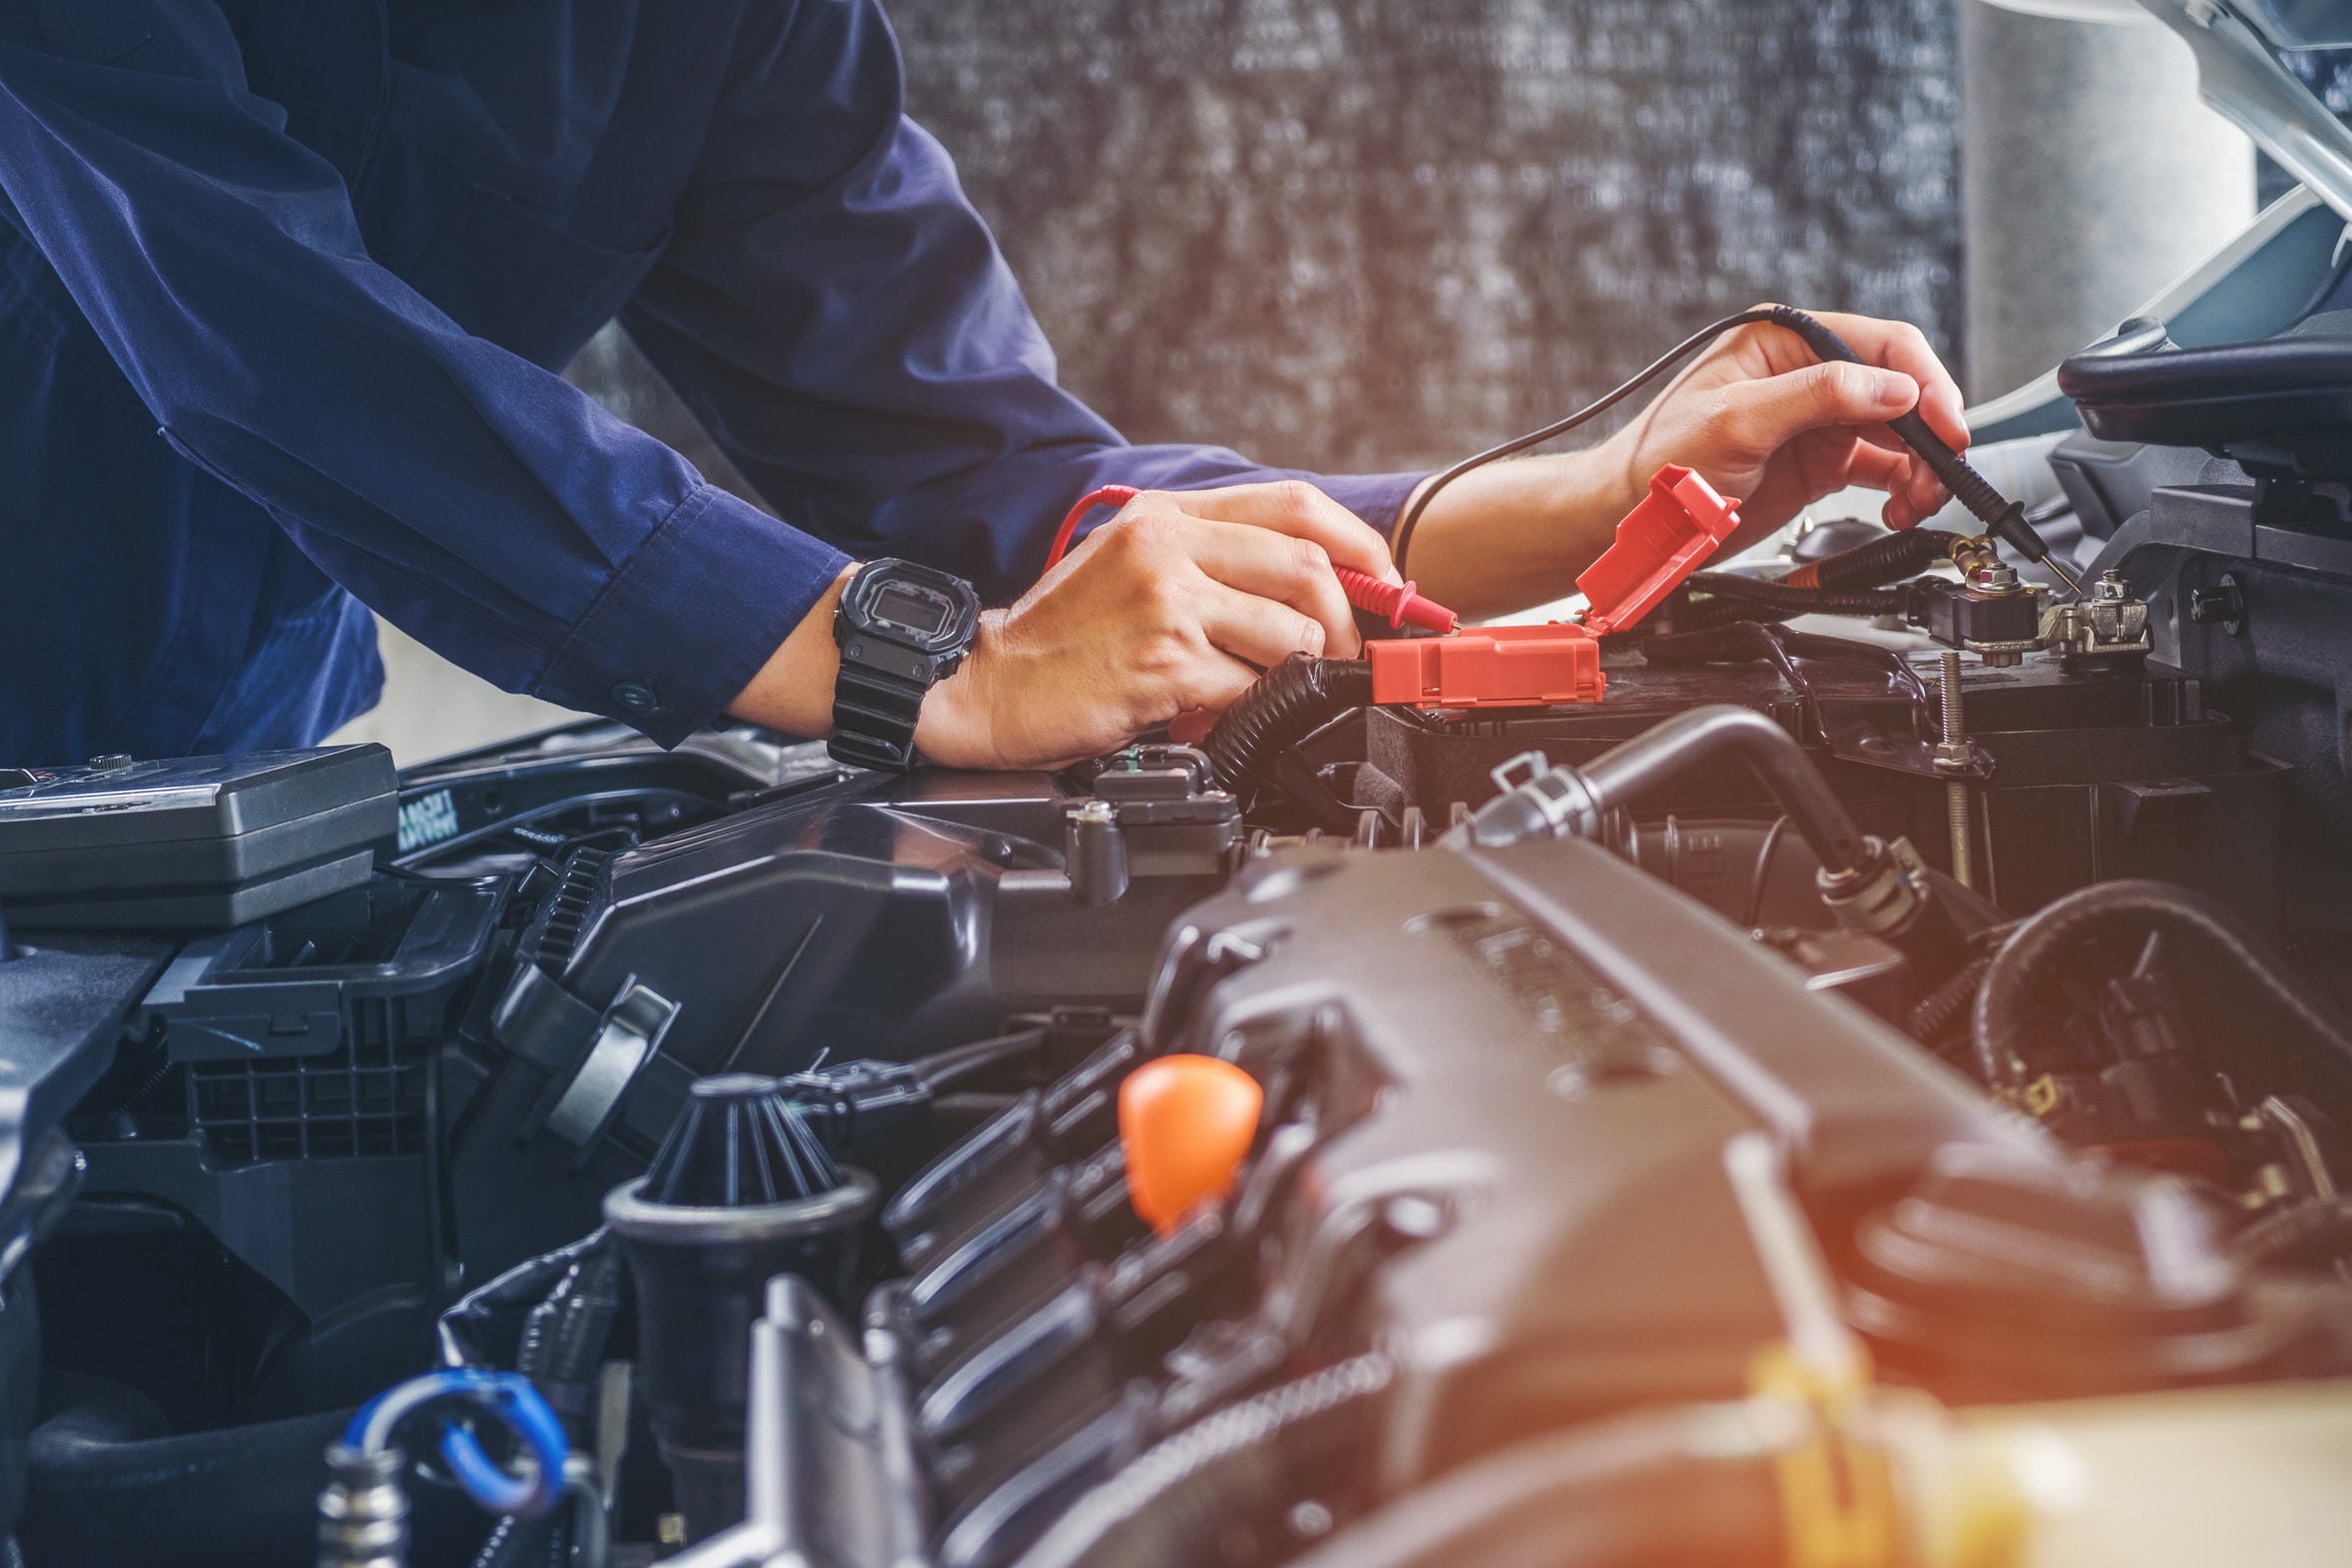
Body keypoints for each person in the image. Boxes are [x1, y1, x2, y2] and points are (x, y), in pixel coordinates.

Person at [0, 0, 1969, 772]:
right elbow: (279, 353)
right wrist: (915, 665)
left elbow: (988, 468)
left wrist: (1608, 494)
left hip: (226, 798)